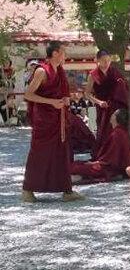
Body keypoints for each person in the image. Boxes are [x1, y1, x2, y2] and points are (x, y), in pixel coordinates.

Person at [21, 41, 84, 203]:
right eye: (63, 52)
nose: (65, 55)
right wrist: (51, 102)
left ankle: (66, 190)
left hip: (58, 119)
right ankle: (27, 190)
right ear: (55, 53)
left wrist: (67, 99)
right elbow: (28, 95)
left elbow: (60, 94)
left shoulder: (60, 70)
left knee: (62, 153)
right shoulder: (42, 71)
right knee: (39, 153)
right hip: (44, 120)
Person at [70, 109, 130, 183]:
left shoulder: (117, 134)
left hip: (109, 169)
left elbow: (110, 159)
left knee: (75, 167)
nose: (111, 115)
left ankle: (79, 176)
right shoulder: (119, 132)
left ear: (115, 118)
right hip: (109, 166)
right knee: (78, 163)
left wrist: (95, 163)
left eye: (113, 114)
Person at [85, 49, 128, 151]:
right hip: (102, 107)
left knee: (116, 129)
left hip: (114, 106)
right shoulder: (93, 75)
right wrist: (99, 102)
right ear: (98, 60)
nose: (106, 63)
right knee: (103, 131)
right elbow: (87, 94)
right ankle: (104, 152)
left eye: (108, 60)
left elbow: (123, 85)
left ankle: (116, 150)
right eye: (104, 60)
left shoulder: (114, 71)